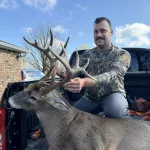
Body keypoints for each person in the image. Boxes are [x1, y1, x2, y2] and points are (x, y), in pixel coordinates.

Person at [63, 17, 131, 118]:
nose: (99, 35)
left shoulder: (122, 54)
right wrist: (59, 71)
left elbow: (113, 75)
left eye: (103, 31)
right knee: (70, 117)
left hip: (113, 95)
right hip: (91, 97)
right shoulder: (87, 54)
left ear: (111, 32)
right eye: (95, 32)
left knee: (116, 110)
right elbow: (72, 71)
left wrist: (84, 82)